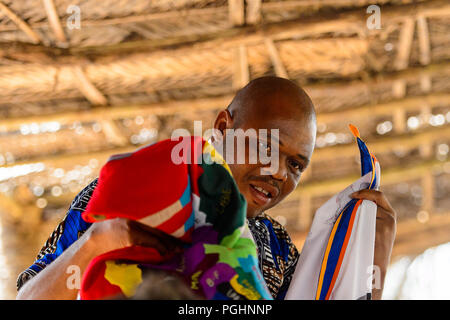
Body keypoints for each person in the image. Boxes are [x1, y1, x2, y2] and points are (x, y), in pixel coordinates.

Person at [16, 77, 396, 300]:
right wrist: (100, 240)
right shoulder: (133, 196)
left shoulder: (275, 248)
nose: (278, 172)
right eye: (265, 146)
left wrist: (373, 258)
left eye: (296, 164)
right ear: (224, 127)